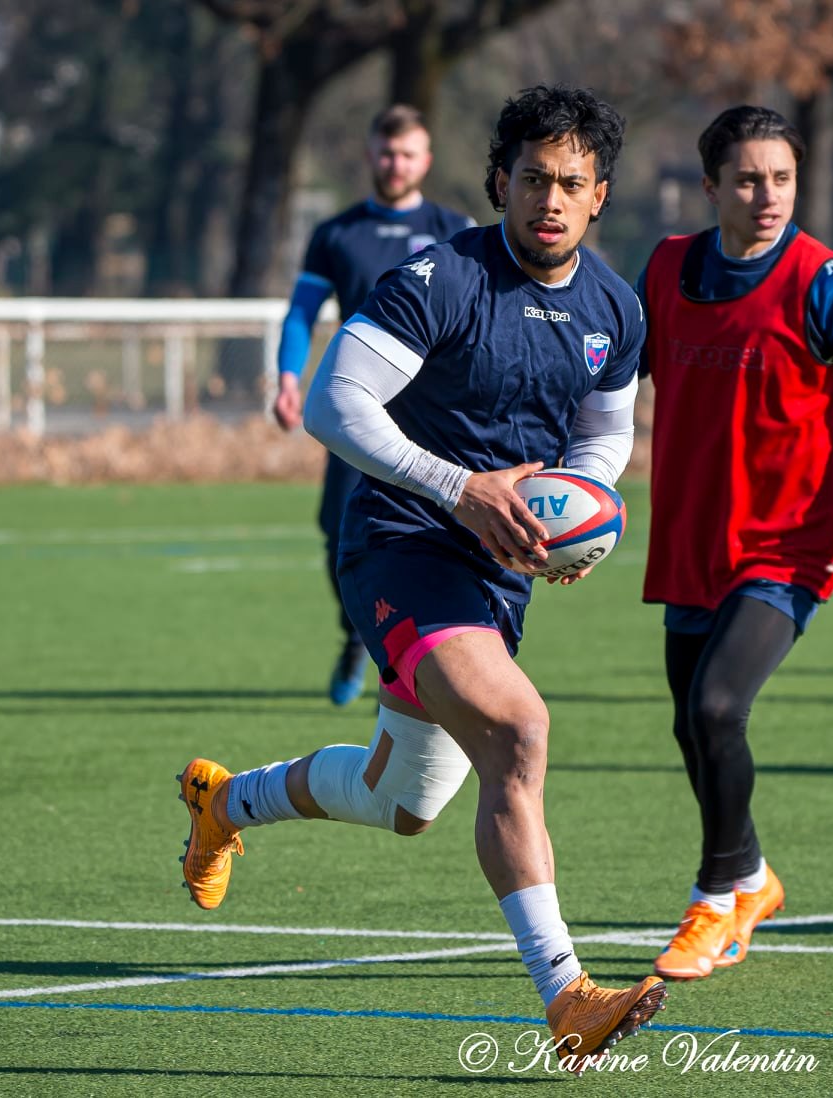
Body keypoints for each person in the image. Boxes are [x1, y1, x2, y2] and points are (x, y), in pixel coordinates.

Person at [178, 85, 665, 1069]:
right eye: (533, 179)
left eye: (572, 183)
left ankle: (226, 804)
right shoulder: (440, 279)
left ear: (601, 194)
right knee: (519, 729)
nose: (551, 201)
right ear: (500, 182)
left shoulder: (615, 308)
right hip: (401, 543)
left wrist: (573, 511)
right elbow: (334, 403)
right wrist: (462, 489)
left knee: (403, 800)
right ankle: (568, 997)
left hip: (497, 571)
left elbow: (605, 435)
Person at [638, 106, 833, 981]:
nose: (768, 196)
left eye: (783, 179)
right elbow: (608, 378)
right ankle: (753, 877)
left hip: (788, 545)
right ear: (711, 186)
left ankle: (711, 903)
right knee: (692, 727)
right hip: (689, 537)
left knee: (719, 708)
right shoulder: (666, 267)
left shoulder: (826, 283)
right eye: (750, 179)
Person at [272, 104, 474, 707]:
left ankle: (432, 650)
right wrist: (287, 375)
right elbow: (302, 312)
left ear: (426, 160)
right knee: (339, 530)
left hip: (433, 416)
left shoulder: (454, 227)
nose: (396, 164)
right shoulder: (336, 233)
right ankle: (356, 637)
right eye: (387, 153)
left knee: (442, 531)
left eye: (408, 154)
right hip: (357, 410)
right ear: (371, 155)